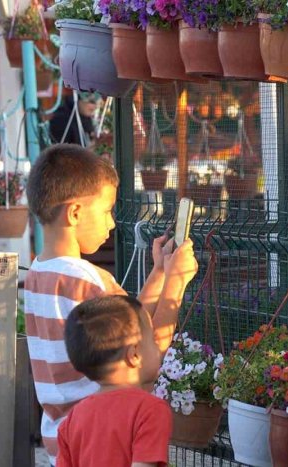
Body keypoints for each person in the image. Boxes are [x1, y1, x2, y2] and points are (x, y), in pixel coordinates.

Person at [23, 143, 197, 464]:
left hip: (67, 440)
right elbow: (146, 350)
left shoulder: (37, 274)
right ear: (74, 212)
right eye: (106, 211)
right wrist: (177, 281)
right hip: (108, 436)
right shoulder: (86, 279)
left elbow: (131, 321)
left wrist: (159, 271)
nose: (112, 223)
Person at [57, 296, 172, 467]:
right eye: (153, 341)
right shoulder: (150, 410)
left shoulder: (73, 419)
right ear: (134, 355)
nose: (158, 347)